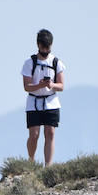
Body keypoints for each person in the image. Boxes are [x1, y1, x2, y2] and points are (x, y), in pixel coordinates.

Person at [21, 28, 65, 165]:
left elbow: (62, 86)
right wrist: (40, 85)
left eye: (48, 47)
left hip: (51, 101)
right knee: (34, 135)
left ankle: (49, 165)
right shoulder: (29, 63)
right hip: (33, 102)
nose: (46, 50)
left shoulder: (56, 63)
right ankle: (31, 161)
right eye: (43, 47)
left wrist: (51, 85)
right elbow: (27, 86)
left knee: (50, 133)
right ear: (38, 45)